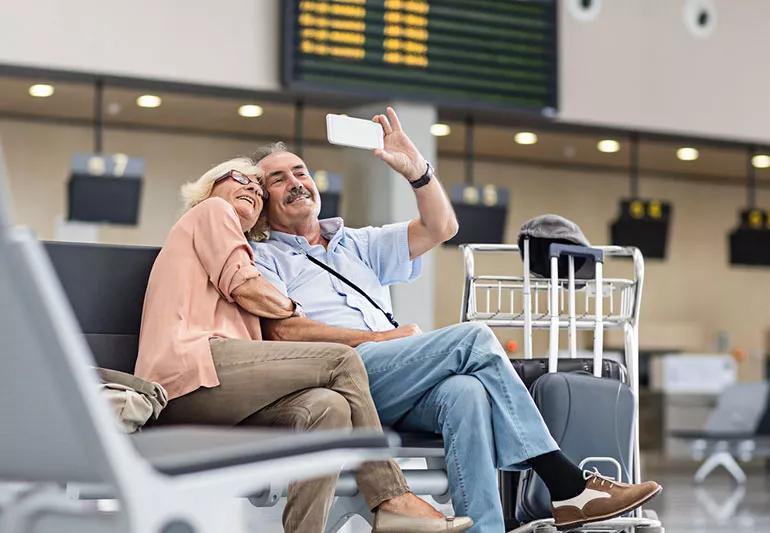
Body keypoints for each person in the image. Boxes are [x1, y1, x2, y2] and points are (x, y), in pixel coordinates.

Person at [249, 107, 662, 531]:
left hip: (391, 380)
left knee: (465, 393)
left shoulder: (357, 243)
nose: (295, 183)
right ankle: (565, 481)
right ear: (263, 205)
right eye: (277, 179)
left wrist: (418, 171)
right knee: (472, 338)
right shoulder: (262, 257)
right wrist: (379, 337)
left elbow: (441, 226)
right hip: (339, 379)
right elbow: (283, 330)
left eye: (300, 172)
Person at [133, 157, 472, 533]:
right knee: (341, 361)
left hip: (225, 389)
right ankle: (391, 497)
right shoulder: (212, 212)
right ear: (210, 185)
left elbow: (441, 227)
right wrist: (296, 308)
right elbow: (247, 287)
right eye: (239, 178)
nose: (251, 189)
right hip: (188, 371)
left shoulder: (248, 246)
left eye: (259, 191)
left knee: (328, 408)